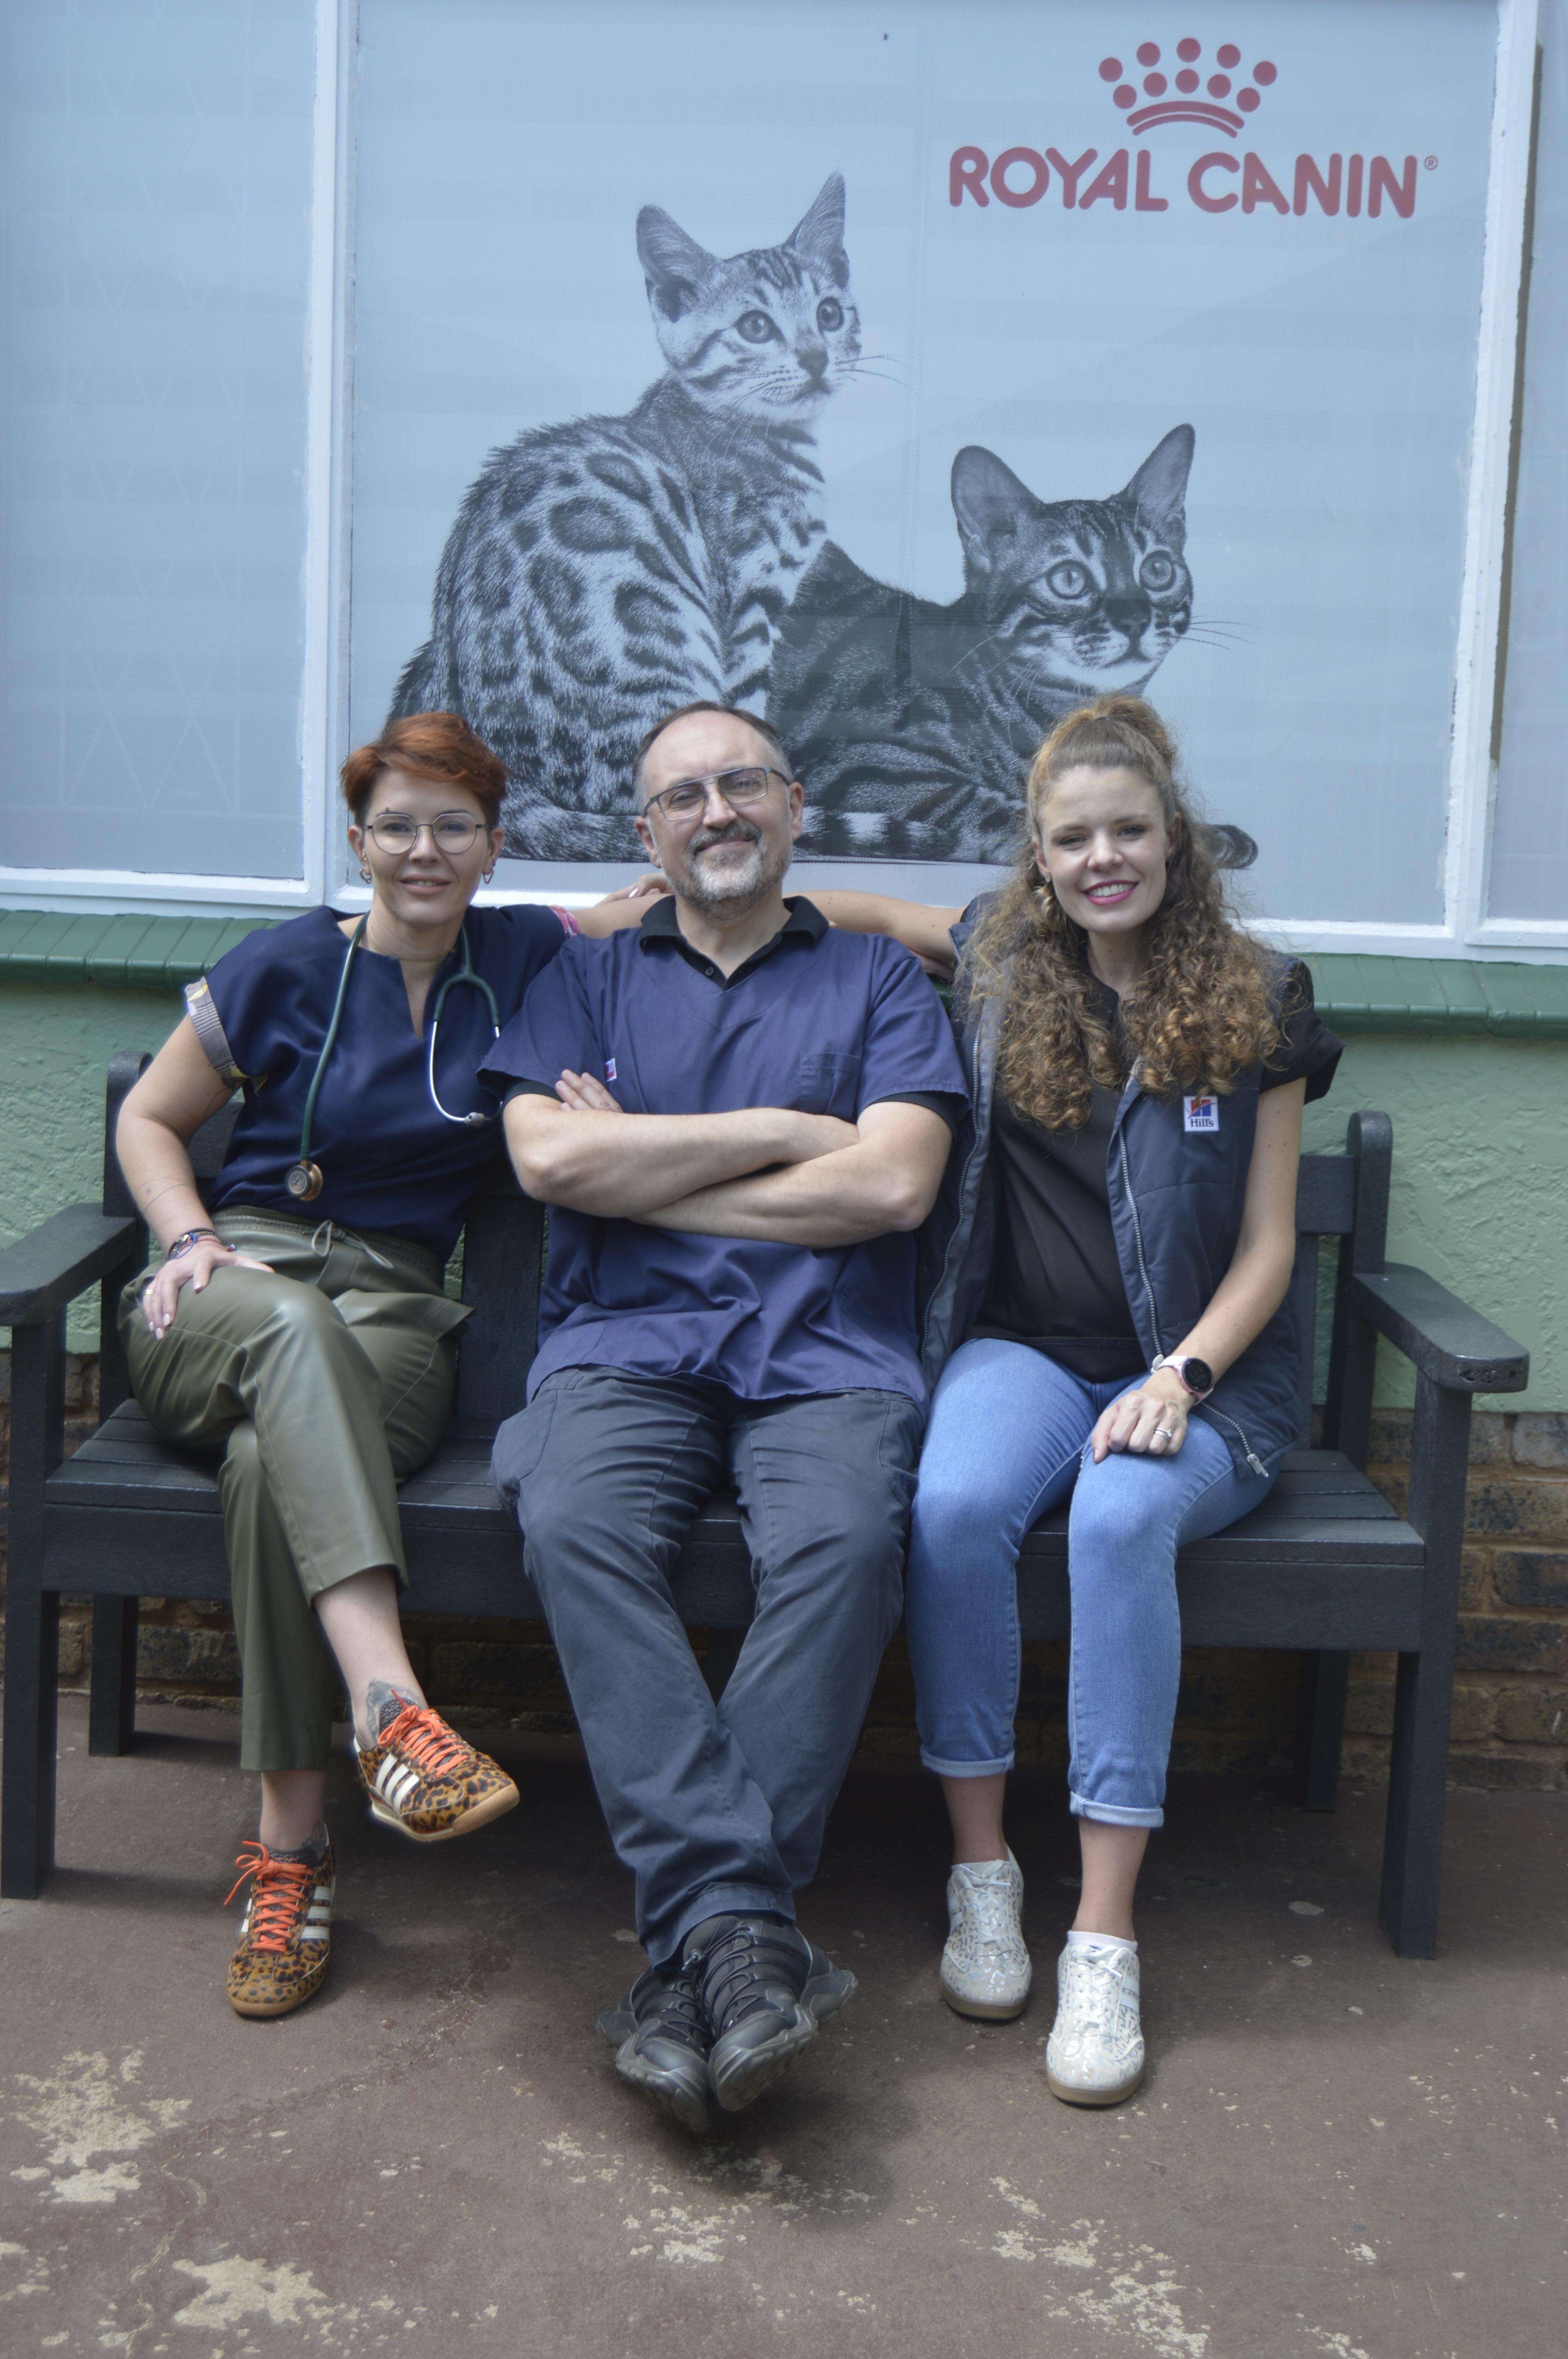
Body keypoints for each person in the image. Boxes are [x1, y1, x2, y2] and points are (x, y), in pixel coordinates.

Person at [808, 696, 1342, 2107]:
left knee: (1115, 1523)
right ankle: (983, 1874)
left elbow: (1273, 1246)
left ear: (1177, 838)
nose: (1105, 857)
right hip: (1028, 1350)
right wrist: (624, 915)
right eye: (1073, 839)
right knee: (957, 1499)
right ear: (1037, 860)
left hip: (1205, 1374)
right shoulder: (1002, 961)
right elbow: (862, 909)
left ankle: (1102, 1935)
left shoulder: (1261, 997)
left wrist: (1184, 1376)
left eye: (1130, 830)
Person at [115, 711, 650, 2020]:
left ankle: (291, 1858)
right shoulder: (279, 967)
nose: (425, 849)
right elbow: (149, 1115)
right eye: (397, 825)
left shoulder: (526, 950)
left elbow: (698, 892)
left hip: (399, 1317)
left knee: (267, 1462)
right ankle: (391, 1707)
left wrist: (968, 930)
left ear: (493, 843)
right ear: (358, 842)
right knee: (283, 1336)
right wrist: (185, 1234)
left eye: (453, 825)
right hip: (228, 1285)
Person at [482, 700, 967, 2134]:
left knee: (841, 1547)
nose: (717, 812)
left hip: (828, 1355)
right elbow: (547, 1158)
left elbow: (891, 1190)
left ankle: (701, 1942)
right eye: (683, 796)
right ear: (649, 835)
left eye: (741, 783)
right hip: (623, 1346)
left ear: (793, 803)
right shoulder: (586, 979)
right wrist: (785, 1131)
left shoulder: (882, 982)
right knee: (571, 1518)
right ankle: (747, 1939)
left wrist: (646, 1166)